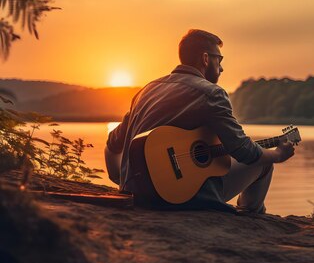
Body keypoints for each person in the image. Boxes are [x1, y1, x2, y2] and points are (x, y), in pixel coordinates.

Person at [105, 29, 295, 213]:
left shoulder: (146, 90)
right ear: (205, 59)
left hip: (138, 194)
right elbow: (244, 151)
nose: (221, 67)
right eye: (219, 60)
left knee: (224, 161)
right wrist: (278, 155)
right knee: (263, 163)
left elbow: (112, 145)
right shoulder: (212, 93)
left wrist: (122, 179)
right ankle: (251, 217)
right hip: (179, 198)